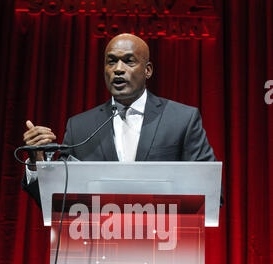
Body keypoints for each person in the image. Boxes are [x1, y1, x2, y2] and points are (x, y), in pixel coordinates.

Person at [22, 33, 221, 206]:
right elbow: (56, 200)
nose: (118, 68)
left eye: (128, 61)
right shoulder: (80, 127)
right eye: (111, 61)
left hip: (164, 243)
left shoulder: (181, 119)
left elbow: (212, 190)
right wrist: (36, 164)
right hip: (97, 245)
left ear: (148, 70)